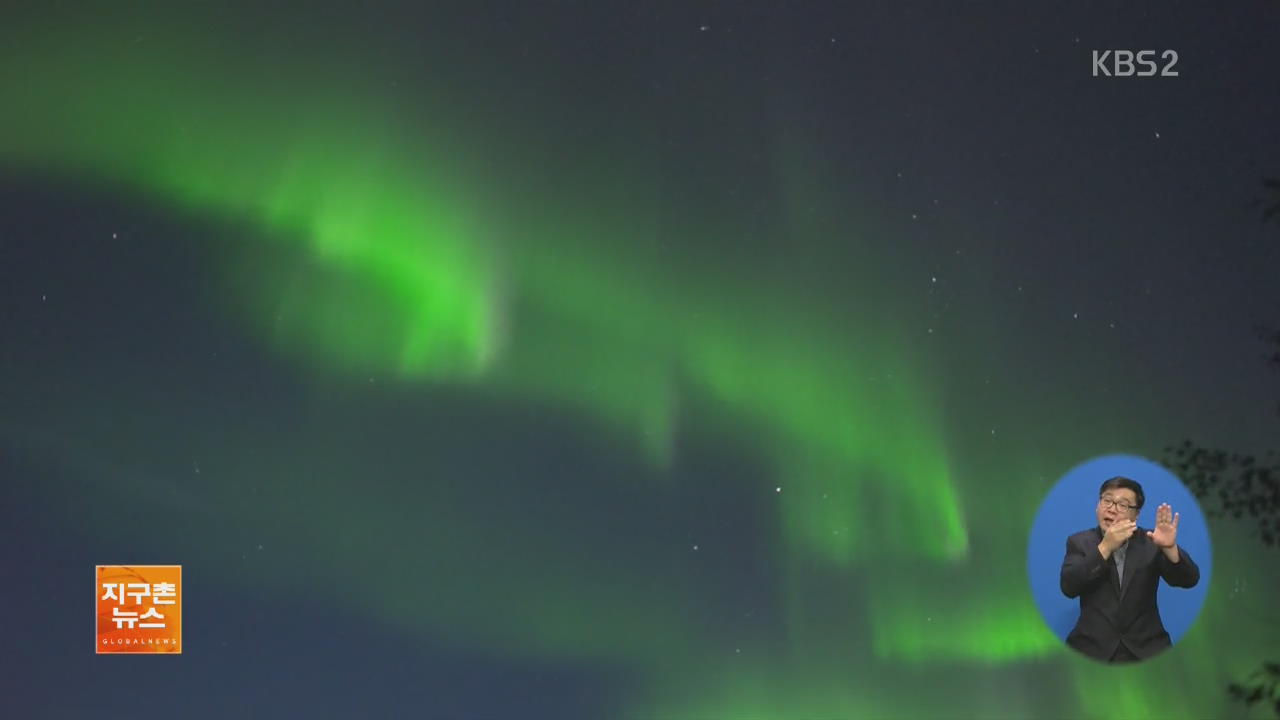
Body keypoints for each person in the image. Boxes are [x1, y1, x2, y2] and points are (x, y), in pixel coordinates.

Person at [1059, 476, 1200, 663]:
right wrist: (1105, 547)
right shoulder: (1079, 542)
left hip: (1147, 650)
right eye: (1107, 500)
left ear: (1136, 515)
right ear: (1098, 505)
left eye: (1123, 505)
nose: (1111, 508)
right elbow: (1069, 586)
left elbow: (1189, 579)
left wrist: (1169, 548)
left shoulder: (1152, 541)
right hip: (1092, 650)